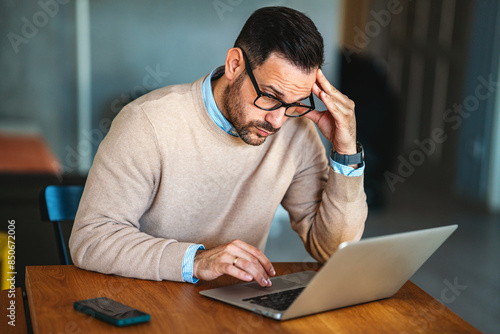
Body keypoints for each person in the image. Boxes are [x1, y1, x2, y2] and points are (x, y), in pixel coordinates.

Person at [69, 6, 367, 288]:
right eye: (270, 96)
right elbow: (92, 239)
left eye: (294, 104)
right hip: (146, 299)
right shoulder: (147, 123)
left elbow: (332, 250)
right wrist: (196, 260)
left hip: (233, 306)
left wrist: (346, 151)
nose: (277, 121)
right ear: (234, 64)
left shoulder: (296, 131)